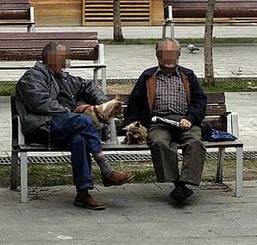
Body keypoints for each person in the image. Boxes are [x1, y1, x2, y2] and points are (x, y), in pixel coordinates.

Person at [16, 42, 134, 210]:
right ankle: (106, 170)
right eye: (62, 58)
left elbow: (89, 86)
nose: (66, 62)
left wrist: (104, 105)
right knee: (83, 120)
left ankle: (83, 193)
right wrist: (72, 111)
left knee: (79, 140)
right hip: (40, 128)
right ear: (50, 58)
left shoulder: (64, 78)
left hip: (61, 128)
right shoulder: (32, 77)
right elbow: (40, 104)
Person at [125, 38, 207, 203]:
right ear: (157, 56)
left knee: (195, 143)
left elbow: (200, 101)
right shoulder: (148, 76)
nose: (169, 59)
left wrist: (190, 119)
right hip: (158, 123)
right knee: (159, 142)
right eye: (164, 55)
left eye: (173, 54)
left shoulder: (188, 75)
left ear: (178, 55)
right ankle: (179, 185)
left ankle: (183, 184)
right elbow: (134, 103)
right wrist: (132, 126)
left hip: (185, 122)